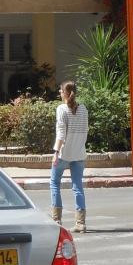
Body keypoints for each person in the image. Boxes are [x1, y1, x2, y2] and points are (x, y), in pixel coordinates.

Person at [50, 80, 88, 234]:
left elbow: (61, 133)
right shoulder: (84, 109)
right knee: (78, 187)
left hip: (64, 153)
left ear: (65, 93)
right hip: (79, 153)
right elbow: (85, 130)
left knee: (54, 183)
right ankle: (81, 223)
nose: (59, 93)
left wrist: (56, 152)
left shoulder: (61, 109)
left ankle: (56, 220)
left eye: (60, 91)